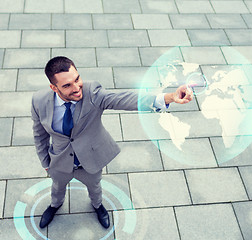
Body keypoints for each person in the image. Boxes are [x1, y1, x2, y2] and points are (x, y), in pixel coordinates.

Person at [31, 56, 193, 229]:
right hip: (59, 160)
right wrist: (45, 162)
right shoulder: (39, 101)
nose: (77, 87)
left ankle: (98, 206)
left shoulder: (92, 92)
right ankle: (55, 205)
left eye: (77, 79)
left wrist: (169, 97)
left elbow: (125, 99)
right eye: (67, 85)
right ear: (54, 88)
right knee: (57, 187)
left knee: (95, 187)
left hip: (90, 159)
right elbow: (39, 135)